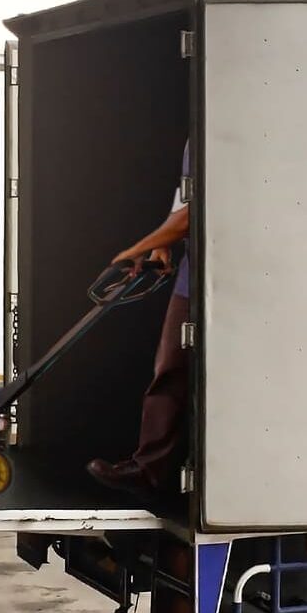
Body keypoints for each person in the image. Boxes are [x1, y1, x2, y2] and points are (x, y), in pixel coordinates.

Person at [87, 143, 192, 495]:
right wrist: (161, 245)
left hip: (226, 276)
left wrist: (133, 250)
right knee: (170, 368)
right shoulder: (193, 140)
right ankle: (148, 472)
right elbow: (184, 200)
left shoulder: (220, 131)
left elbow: (196, 213)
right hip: (191, 277)